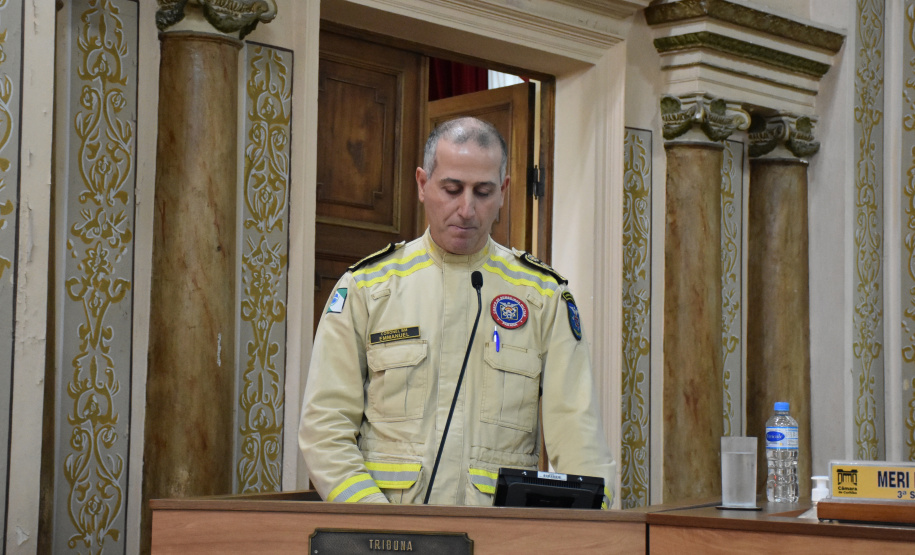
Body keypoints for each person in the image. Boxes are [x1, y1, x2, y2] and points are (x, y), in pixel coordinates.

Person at [298, 117, 615, 507]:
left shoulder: (543, 297)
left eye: (483, 192)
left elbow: (579, 440)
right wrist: (377, 523)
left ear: (503, 192)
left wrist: (593, 529)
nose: (467, 209)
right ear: (422, 184)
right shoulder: (367, 287)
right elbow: (324, 430)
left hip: (498, 533)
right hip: (386, 532)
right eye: (452, 189)